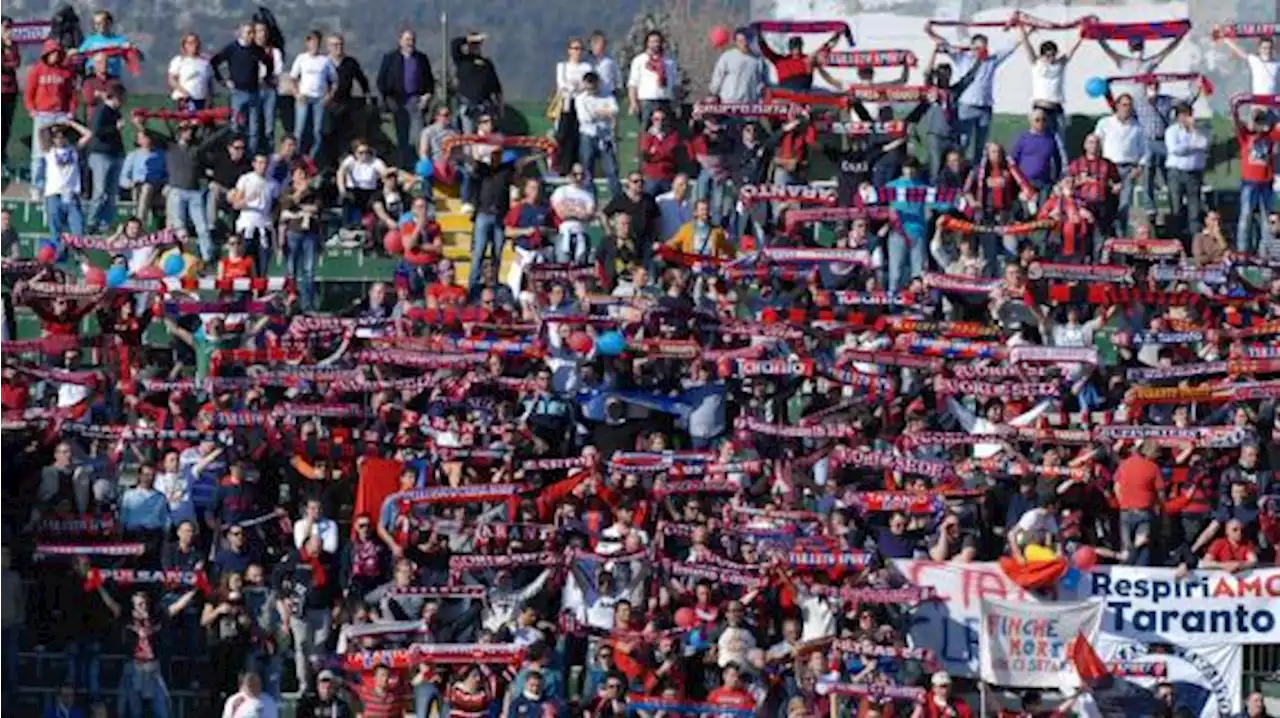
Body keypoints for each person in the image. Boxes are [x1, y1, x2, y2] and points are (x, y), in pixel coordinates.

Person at [1018, 22, 1084, 170]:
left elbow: (1072, 50)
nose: (1050, 57)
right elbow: (1026, 45)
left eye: (1053, 54)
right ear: (1042, 54)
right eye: (1047, 54)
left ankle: (1061, 172)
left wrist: (1082, 34)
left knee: (1059, 142)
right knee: (1041, 140)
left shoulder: (1060, 64)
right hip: (1040, 108)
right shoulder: (1036, 64)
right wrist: (1022, 28)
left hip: (1056, 108)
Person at [378, 30, 436, 169]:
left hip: (416, 101)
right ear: (400, 41)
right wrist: (388, 99)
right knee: (402, 138)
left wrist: (427, 95)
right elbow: (381, 81)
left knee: (419, 137)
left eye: (412, 40)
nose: (410, 43)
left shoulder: (421, 59)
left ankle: (419, 168)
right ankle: (405, 167)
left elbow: (430, 81)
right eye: (407, 39)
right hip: (398, 103)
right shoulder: (390, 58)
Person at [24, 40, 77, 187]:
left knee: (60, 151)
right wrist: (32, 110)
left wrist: (71, 112)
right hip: (42, 115)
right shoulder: (37, 70)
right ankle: (37, 187)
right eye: (52, 52)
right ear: (46, 54)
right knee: (39, 153)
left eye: (58, 53)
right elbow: (29, 93)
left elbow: (71, 94)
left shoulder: (65, 72)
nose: (55, 55)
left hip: (60, 115)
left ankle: (58, 184)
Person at [212, 24, 271, 154]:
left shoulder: (257, 50)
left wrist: (265, 78)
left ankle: (251, 154)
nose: (251, 36)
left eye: (252, 33)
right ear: (241, 33)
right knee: (236, 126)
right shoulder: (232, 48)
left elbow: (268, 63)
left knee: (253, 128)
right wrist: (223, 80)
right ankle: (234, 152)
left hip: (254, 92)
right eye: (248, 33)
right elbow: (215, 62)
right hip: (238, 93)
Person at [290, 30, 337, 159]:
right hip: (304, 97)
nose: (315, 45)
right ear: (307, 43)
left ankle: (311, 158)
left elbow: (334, 81)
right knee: (299, 131)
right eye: (312, 42)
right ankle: (296, 157)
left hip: (319, 99)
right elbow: (292, 78)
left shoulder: (325, 61)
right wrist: (297, 94)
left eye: (317, 42)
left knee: (318, 132)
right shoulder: (301, 58)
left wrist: (329, 96)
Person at [1165, 101, 1208, 238]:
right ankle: (1175, 241)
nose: (1187, 118)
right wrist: (1190, 144)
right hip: (1176, 172)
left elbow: (1203, 144)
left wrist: (1193, 131)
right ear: (1178, 117)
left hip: (1194, 173)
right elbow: (1175, 150)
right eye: (1184, 115)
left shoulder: (1200, 130)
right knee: (1175, 208)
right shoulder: (1172, 131)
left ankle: (1195, 243)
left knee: (1194, 210)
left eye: (1189, 114)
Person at [452, 31, 503, 134]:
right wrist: (472, 38)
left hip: (484, 107)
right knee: (468, 136)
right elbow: (454, 44)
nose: (474, 46)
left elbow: (496, 88)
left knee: (485, 137)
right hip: (467, 106)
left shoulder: (487, 63)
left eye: (477, 44)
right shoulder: (462, 60)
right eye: (472, 44)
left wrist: (500, 107)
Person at [627, 31, 678, 127]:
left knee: (666, 131)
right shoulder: (640, 60)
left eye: (658, 41)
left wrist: (676, 102)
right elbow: (633, 84)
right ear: (647, 43)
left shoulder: (669, 62)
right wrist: (633, 103)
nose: (656, 44)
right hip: (646, 101)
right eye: (653, 42)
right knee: (646, 129)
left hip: (665, 100)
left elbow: (674, 84)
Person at [710, 29, 766, 103]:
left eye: (747, 40)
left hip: (749, 104)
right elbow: (718, 76)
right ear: (736, 42)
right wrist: (713, 93)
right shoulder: (727, 57)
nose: (744, 44)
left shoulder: (758, 60)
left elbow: (761, 81)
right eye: (741, 41)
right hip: (728, 102)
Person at [168, 33, 214, 110]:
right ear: (185, 45)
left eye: (196, 42)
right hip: (184, 99)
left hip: (201, 99)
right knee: (187, 121)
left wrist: (210, 99)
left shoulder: (205, 61)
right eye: (190, 43)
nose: (194, 45)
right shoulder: (178, 60)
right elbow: (171, 80)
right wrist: (184, 92)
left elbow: (209, 82)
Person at [0, 16, 19, 167]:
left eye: (10, 27)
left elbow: (16, 63)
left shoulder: (12, 45)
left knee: (6, 127)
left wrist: (9, 47)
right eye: (6, 27)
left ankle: (3, 158)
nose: (9, 30)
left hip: (10, 91)